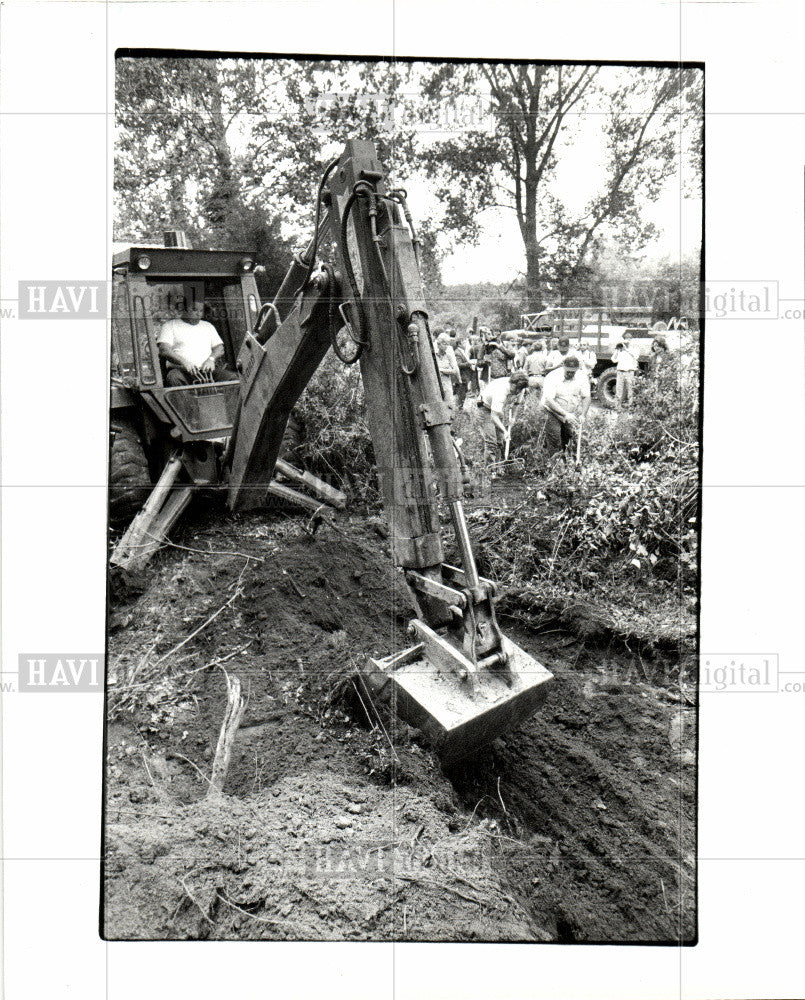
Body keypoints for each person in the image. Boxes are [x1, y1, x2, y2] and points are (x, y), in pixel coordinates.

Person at [157, 301, 237, 386]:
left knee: (232, 378)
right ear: (185, 309)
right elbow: (164, 350)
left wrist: (211, 360)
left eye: (201, 311)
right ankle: (188, 400)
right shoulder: (170, 326)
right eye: (195, 310)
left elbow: (220, 348)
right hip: (182, 372)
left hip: (207, 371)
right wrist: (184, 362)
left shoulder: (208, 326)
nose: (199, 314)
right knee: (174, 377)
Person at [540, 355, 591, 456]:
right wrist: (565, 414)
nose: (570, 374)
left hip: (570, 412)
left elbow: (586, 397)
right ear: (563, 366)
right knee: (555, 438)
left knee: (568, 437)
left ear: (577, 369)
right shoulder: (552, 376)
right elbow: (549, 400)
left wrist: (583, 415)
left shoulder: (582, 377)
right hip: (552, 411)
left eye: (573, 372)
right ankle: (555, 464)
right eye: (568, 371)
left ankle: (567, 461)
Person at [478, 370, 529, 466]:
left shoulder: (520, 389)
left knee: (499, 441)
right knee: (491, 441)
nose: (517, 392)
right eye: (516, 388)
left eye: (520, 389)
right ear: (512, 383)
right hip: (485, 408)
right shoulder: (501, 390)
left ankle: (498, 467)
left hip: (498, 410)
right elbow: (493, 416)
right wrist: (505, 431)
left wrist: (513, 417)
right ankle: (489, 471)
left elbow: (517, 404)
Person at [611, 330, 639, 409]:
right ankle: (617, 407)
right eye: (626, 338)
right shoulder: (620, 348)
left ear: (631, 339)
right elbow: (613, 359)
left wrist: (626, 349)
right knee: (618, 390)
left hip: (629, 371)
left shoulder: (634, 348)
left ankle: (630, 406)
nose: (627, 340)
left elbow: (636, 357)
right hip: (620, 371)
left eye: (629, 339)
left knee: (630, 390)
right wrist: (617, 351)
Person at [435, 331, 460, 407]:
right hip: (436, 385)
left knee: (449, 405)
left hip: (446, 384)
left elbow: (455, 370)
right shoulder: (434, 356)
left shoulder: (449, 355)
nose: (446, 346)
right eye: (444, 344)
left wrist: (442, 370)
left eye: (447, 344)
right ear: (438, 344)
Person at [454, 336, 473, 410]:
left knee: (464, 392)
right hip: (462, 376)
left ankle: (460, 406)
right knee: (461, 392)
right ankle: (459, 407)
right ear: (459, 344)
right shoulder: (457, 352)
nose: (466, 344)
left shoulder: (463, 352)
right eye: (464, 342)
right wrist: (469, 363)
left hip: (465, 376)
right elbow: (458, 364)